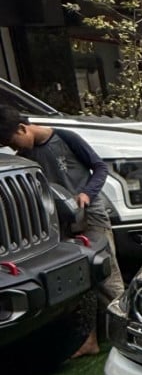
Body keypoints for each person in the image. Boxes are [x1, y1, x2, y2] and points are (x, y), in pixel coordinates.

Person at [0, 104, 124, 357]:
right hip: (61, 221)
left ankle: (129, 331)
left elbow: (100, 167)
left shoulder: (66, 138)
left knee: (108, 277)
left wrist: (87, 193)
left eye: (12, 142)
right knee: (82, 281)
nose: (13, 149)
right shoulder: (26, 156)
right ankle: (89, 341)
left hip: (91, 214)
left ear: (22, 128)